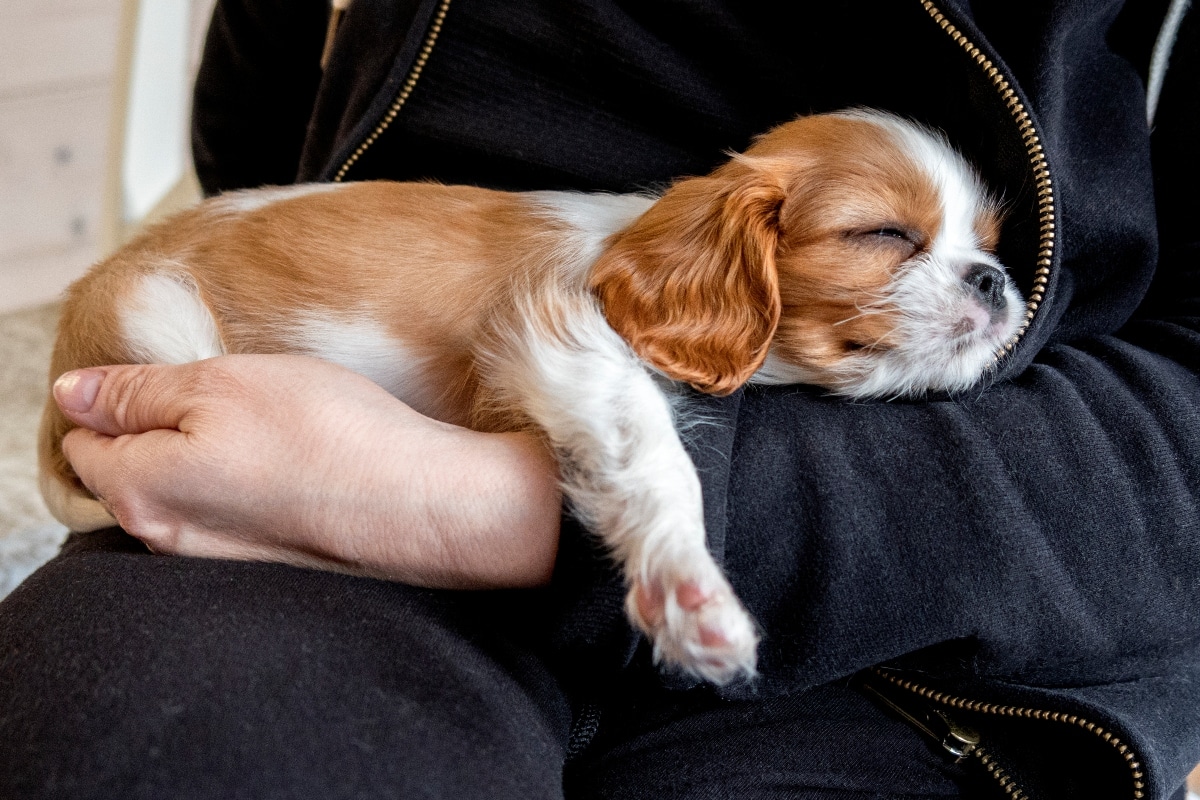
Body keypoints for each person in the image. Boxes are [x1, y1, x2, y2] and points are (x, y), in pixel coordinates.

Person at [1, 0, 1198, 797]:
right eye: (890, 236)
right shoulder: (654, 272)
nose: (976, 284)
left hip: (922, 628)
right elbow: (258, 114)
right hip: (291, 479)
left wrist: (486, 505)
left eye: (973, 251)